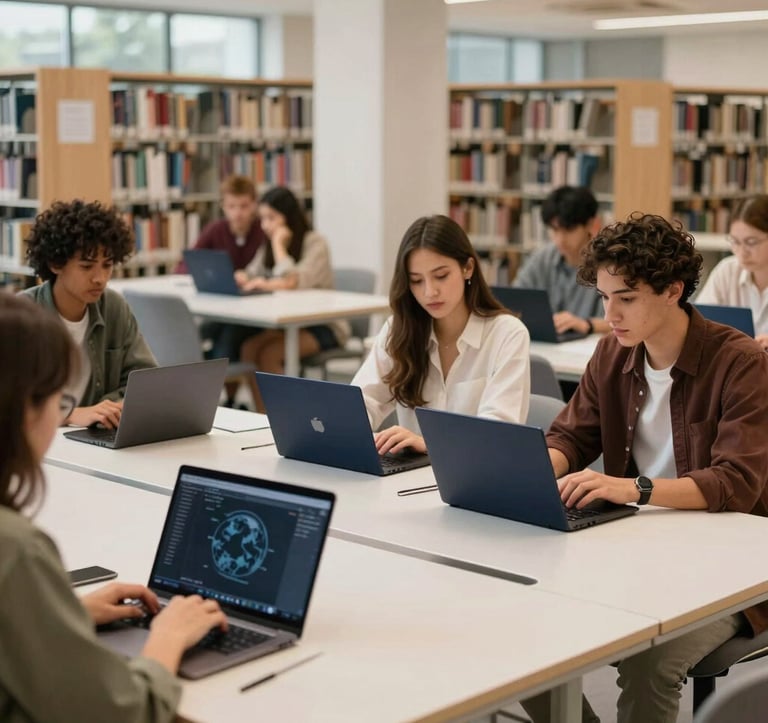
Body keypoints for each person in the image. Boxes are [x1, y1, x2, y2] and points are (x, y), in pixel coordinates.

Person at [521, 213, 768, 723]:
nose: (610, 313)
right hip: (638, 552)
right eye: (605, 296)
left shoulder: (740, 362)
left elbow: (734, 485)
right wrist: (525, 474)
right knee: (524, 634)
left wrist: (632, 488)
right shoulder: (612, 352)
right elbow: (571, 435)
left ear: (673, 289)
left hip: (732, 568)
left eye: (626, 298)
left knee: (648, 662)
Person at [0, 291, 227, 722]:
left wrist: (62, 617)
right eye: (61, 402)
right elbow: (123, 713)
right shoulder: (17, 552)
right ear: (26, 410)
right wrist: (168, 637)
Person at [352, 214, 530, 455]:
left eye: (441, 276)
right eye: (416, 281)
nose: (429, 292)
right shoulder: (399, 330)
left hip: (480, 480)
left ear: (468, 268)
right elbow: (361, 403)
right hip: (408, 482)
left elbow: (498, 433)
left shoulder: (507, 334)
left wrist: (428, 444)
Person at [23, 199, 156, 430]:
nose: (100, 278)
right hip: (36, 441)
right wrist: (71, 414)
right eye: (86, 266)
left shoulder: (114, 307)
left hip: (95, 436)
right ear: (56, 264)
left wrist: (108, 409)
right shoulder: (23, 315)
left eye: (107, 265)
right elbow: (11, 402)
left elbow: (146, 380)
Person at [237, 185, 350, 411]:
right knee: (248, 349)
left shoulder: (315, 243)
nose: (265, 226)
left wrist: (279, 246)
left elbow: (292, 282)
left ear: (288, 217)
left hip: (323, 325)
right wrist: (242, 276)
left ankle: (284, 421)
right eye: (262, 219)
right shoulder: (266, 245)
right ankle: (263, 419)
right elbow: (250, 272)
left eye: (271, 218)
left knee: (270, 355)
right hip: (290, 326)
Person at [177, 175, 267, 392]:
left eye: (244, 206)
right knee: (207, 330)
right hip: (223, 308)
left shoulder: (263, 231)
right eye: (232, 206)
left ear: (255, 204)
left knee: (227, 336)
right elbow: (185, 264)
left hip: (257, 314)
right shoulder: (216, 229)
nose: (238, 213)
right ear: (223, 207)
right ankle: (214, 387)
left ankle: (215, 390)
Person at [513, 185, 608, 336]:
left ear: (590, 224)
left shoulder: (608, 264)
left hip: (591, 349)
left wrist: (587, 325)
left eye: (569, 230)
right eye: (555, 230)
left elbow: (622, 321)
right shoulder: (542, 258)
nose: (560, 240)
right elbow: (514, 302)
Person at [695, 195, 768, 349]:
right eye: (735, 241)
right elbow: (700, 324)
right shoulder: (727, 271)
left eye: (751, 242)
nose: (742, 252)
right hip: (735, 365)